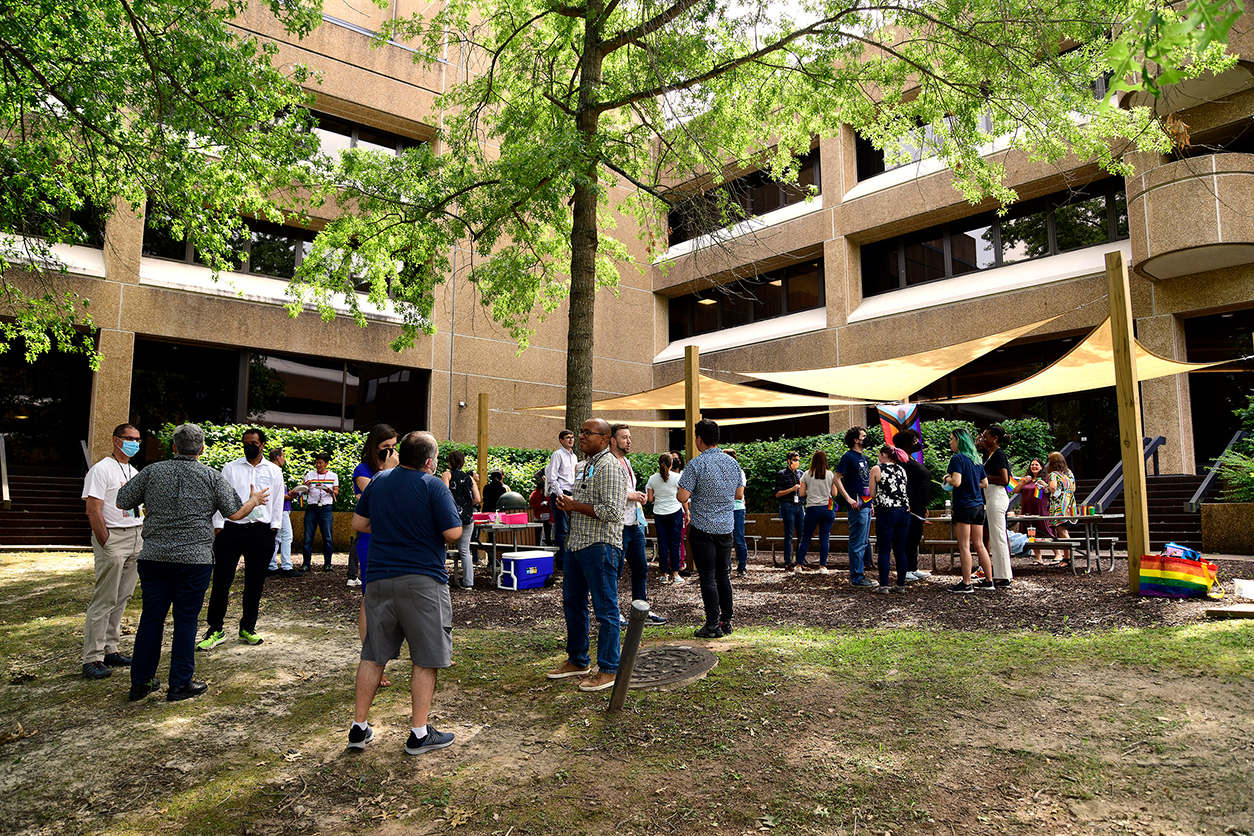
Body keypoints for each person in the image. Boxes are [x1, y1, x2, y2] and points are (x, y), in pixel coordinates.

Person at [117, 423, 268, 702]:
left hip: (154, 556)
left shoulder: (151, 471)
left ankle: (140, 683)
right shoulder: (211, 476)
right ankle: (180, 684)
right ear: (201, 449)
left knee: (151, 619)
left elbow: (122, 500)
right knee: (186, 621)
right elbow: (235, 514)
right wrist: (254, 500)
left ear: (173, 447)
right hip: (194, 559)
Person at [348, 431, 463, 755]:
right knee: (426, 658)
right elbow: (453, 532)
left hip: (380, 580)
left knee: (373, 653)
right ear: (429, 462)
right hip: (422, 582)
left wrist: (390, 527)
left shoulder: (380, 481)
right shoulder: (434, 486)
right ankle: (418, 734)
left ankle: (358, 729)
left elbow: (358, 522)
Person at [544, 418, 628, 692]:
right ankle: (578, 660)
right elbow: (585, 503)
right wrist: (568, 506)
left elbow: (614, 512)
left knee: (606, 610)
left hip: (601, 546)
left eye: (587, 433)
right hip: (577, 545)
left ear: (604, 439)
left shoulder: (610, 467)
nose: (580, 437)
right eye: (580, 432)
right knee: (573, 604)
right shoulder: (584, 466)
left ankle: (609, 668)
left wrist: (575, 505)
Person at [198, 428, 285, 650]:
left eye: (254, 442)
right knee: (222, 581)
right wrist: (218, 526)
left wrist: (275, 527)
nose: (250, 446)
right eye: (246, 442)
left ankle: (248, 627)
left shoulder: (274, 471)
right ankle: (215, 629)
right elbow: (220, 498)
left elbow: (276, 501)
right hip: (232, 530)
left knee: (255, 582)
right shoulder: (230, 468)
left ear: (262, 444)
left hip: (261, 531)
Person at [80, 423, 145, 680]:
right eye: (129, 438)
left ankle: (111, 649)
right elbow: (92, 510)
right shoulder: (101, 469)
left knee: (122, 596)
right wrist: (105, 541)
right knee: (105, 598)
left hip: (135, 535)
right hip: (113, 537)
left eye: (138, 439)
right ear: (116, 440)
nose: (134, 443)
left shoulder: (133, 470)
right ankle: (92, 657)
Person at [677, 419, 741, 638]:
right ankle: (727, 621)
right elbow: (739, 493)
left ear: (699, 439)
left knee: (707, 577)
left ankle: (712, 624)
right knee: (724, 576)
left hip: (703, 527)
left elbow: (682, 496)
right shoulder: (733, 463)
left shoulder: (696, 464)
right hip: (726, 527)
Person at [609, 424, 666, 626]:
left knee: (641, 568)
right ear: (613, 441)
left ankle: (641, 611)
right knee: (614, 572)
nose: (629, 441)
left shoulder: (627, 462)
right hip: (618, 527)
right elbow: (606, 493)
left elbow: (628, 490)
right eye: (624, 437)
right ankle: (613, 613)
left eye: (630, 437)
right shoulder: (608, 463)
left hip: (635, 524)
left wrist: (637, 497)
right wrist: (631, 495)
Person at [943, 428, 993, 593]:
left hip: (963, 505)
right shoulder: (976, 459)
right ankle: (989, 580)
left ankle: (966, 583)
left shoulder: (957, 458)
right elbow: (984, 483)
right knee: (979, 545)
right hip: (978, 506)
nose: (950, 442)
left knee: (964, 545)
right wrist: (971, 484)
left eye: (952, 439)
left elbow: (956, 482)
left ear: (959, 441)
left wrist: (946, 478)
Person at [350, 425, 400, 588]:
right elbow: (380, 496)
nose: (390, 451)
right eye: (386, 447)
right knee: (370, 593)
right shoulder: (362, 470)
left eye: (393, 446)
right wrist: (388, 469)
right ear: (374, 447)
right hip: (371, 537)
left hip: (394, 537)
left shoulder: (398, 471)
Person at [834, 427, 877, 589]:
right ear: (856, 440)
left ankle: (859, 575)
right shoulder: (848, 457)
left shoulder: (863, 457)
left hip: (865, 505)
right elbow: (837, 478)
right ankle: (857, 578)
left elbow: (864, 483)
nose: (866, 438)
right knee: (858, 542)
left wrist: (870, 502)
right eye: (863, 436)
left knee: (863, 541)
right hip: (856, 507)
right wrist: (848, 498)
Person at [870, 444, 911, 593]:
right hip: (904, 511)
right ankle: (901, 584)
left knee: (885, 549)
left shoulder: (877, 469)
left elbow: (873, 494)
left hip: (886, 511)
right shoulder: (902, 470)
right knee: (900, 549)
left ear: (883, 455)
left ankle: (884, 585)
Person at [893, 429, 933, 582]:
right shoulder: (902, 462)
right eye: (914, 440)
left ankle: (913, 567)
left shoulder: (911, 460)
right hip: (910, 504)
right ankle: (906, 568)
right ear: (906, 443)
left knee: (916, 536)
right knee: (908, 536)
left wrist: (925, 505)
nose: (917, 443)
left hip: (919, 504)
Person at [441, 450, 481, 589]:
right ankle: (468, 582)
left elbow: (443, 493)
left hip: (452, 517)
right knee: (465, 550)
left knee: (441, 546)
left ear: (450, 462)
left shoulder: (447, 475)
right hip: (468, 518)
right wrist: (466, 504)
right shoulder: (469, 478)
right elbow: (477, 498)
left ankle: (441, 580)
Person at [980, 425, 1014, 588]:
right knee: (995, 536)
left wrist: (983, 477)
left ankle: (1003, 576)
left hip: (997, 496)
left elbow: (1004, 479)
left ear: (995, 438)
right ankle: (1000, 573)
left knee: (998, 536)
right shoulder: (989, 455)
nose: (983, 439)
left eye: (985, 436)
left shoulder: (999, 454)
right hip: (990, 496)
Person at [795, 450, 836, 574]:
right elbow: (834, 493)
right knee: (824, 538)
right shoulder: (830, 475)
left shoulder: (807, 474)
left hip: (812, 508)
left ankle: (799, 565)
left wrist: (811, 492)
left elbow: (801, 493)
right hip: (827, 509)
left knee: (806, 538)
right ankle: (823, 567)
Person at [646, 453, 684, 585]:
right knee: (675, 544)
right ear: (671, 464)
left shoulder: (652, 479)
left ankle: (663, 575)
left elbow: (650, 499)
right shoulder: (677, 477)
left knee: (662, 544)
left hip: (659, 512)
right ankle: (676, 574)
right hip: (675, 511)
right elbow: (682, 496)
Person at [545, 429, 578, 572]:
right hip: (561, 493)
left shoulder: (574, 457)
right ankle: (561, 563)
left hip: (572, 494)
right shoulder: (557, 455)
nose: (571, 440)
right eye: (567, 438)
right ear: (561, 440)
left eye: (572, 437)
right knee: (562, 528)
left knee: (572, 528)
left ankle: (571, 561)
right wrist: (560, 495)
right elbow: (552, 477)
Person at [266, 448, 301, 577]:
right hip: (281, 509)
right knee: (287, 536)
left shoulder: (268, 470)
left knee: (277, 537)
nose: (284, 459)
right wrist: (290, 496)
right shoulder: (275, 471)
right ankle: (286, 566)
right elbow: (277, 493)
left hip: (277, 508)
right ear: (278, 457)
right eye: (283, 456)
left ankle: (272, 565)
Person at [302, 452, 339, 571]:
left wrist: (329, 490)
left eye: (320, 463)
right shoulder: (309, 475)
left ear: (326, 464)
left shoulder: (333, 476)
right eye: (316, 463)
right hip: (312, 507)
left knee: (327, 537)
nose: (318, 465)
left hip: (326, 508)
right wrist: (306, 487)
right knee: (308, 537)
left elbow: (336, 492)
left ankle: (328, 563)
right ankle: (306, 564)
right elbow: (304, 492)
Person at [1013, 458, 1051, 564]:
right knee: (1031, 532)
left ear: (1042, 467)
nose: (1034, 466)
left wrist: (1044, 485)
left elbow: (1051, 492)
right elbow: (1015, 491)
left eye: (1036, 465)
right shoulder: (1027, 479)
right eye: (1032, 465)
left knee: (1044, 529)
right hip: (1027, 508)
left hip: (1040, 508)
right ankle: (1038, 558)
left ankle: (1057, 554)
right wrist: (1023, 482)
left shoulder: (1046, 478)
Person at [1045, 451, 1079, 566]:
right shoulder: (1069, 473)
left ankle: (1068, 558)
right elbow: (1073, 488)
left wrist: (1047, 489)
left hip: (1059, 505)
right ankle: (1067, 557)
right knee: (1065, 530)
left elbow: (1053, 488)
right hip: (1070, 504)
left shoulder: (1054, 474)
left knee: (1061, 530)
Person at [773, 451, 804, 570]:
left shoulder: (800, 474)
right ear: (788, 461)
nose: (796, 462)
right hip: (788, 505)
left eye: (798, 460)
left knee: (802, 533)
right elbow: (777, 493)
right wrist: (792, 489)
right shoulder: (782, 474)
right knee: (789, 534)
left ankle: (800, 560)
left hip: (799, 505)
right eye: (794, 460)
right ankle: (788, 561)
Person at [725, 449, 749, 577]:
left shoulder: (739, 472)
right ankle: (727, 567)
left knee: (738, 538)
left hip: (737, 508)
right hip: (726, 508)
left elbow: (739, 495)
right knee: (726, 539)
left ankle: (742, 566)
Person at [528, 471, 551, 546]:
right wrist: (540, 504)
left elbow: (550, 506)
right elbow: (532, 504)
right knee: (537, 534)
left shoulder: (546, 494)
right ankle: (538, 547)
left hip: (545, 516)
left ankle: (547, 546)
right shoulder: (535, 494)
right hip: (538, 516)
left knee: (547, 534)